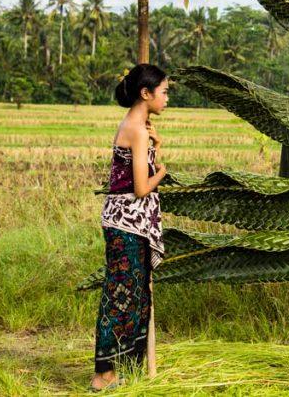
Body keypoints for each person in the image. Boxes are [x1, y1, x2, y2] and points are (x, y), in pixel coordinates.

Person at [90, 64, 170, 391]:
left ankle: (125, 369)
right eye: (164, 92)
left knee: (135, 294)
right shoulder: (136, 129)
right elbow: (139, 187)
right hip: (126, 223)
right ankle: (103, 373)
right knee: (121, 295)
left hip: (126, 222)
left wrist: (156, 146)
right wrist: (163, 172)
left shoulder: (138, 126)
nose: (167, 98)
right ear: (146, 93)